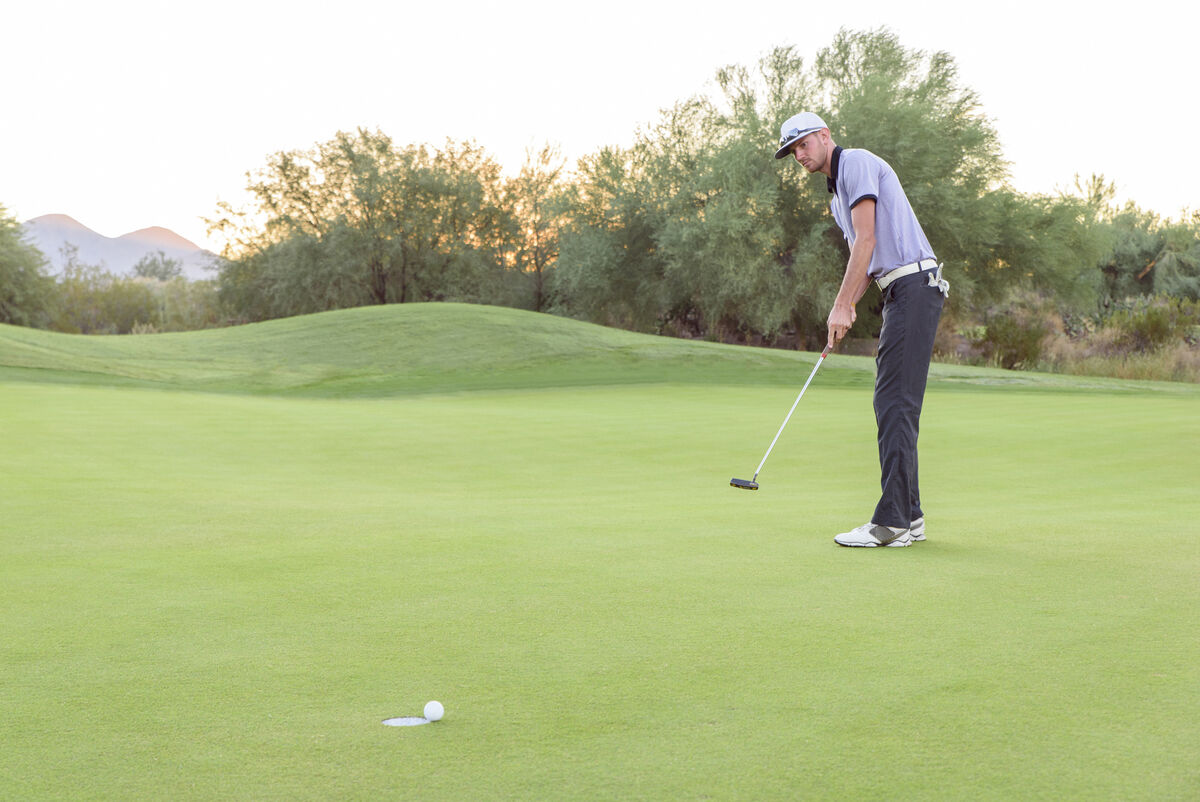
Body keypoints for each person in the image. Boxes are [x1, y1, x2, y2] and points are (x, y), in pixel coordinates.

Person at [775, 112, 949, 548]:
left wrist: (840, 304)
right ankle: (910, 515)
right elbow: (866, 261)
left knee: (894, 403)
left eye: (804, 143)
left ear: (825, 135)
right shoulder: (837, 198)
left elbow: (867, 240)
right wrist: (847, 308)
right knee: (893, 403)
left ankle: (892, 523)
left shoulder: (854, 163)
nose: (799, 154)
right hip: (900, 292)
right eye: (792, 150)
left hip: (914, 286)